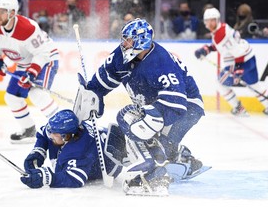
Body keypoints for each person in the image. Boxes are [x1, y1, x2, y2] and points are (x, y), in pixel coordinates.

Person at [75, 18, 205, 195]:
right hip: (161, 104)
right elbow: (107, 74)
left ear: (141, 40)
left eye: (128, 39)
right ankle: (180, 156)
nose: (124, 43)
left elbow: (176, 103)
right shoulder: (123, 54)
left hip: (186, 108)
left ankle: (155, 177)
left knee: (134, 122)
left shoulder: (160, 63)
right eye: (124, 39)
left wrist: (151, 120)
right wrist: (94, 93)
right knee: (124, 137)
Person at [0, 0, 59, 143]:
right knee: (11, 97)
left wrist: (31, 73)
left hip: (46, 59)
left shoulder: (27, 28)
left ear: (12, 13)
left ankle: (63, 128)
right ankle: (29, 130)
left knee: (36, 94)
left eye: (2, 11)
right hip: (24, 63)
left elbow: (42, 53)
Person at [20, 109, 122, 188]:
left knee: (61, 165)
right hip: (103, 137)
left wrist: (49, 178)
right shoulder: (63, 129)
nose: (50, 135)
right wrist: (38, 151)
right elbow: (43, 133)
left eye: (54, 133)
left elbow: (75, 178)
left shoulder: (79, 151)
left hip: (111, 165)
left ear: (66, 137)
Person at [194, 8, 268, 116]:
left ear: (217, 19)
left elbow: (235, 50)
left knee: (220, 83)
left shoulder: (220, 34)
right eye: (207, 21)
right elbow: (222, 46)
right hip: (249, 57)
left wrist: (238, 68)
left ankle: (239, 108)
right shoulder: (222, 28)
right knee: (254, 85)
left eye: (212, 20)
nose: (210, 23)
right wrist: (207, 49)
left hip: (241, 61)